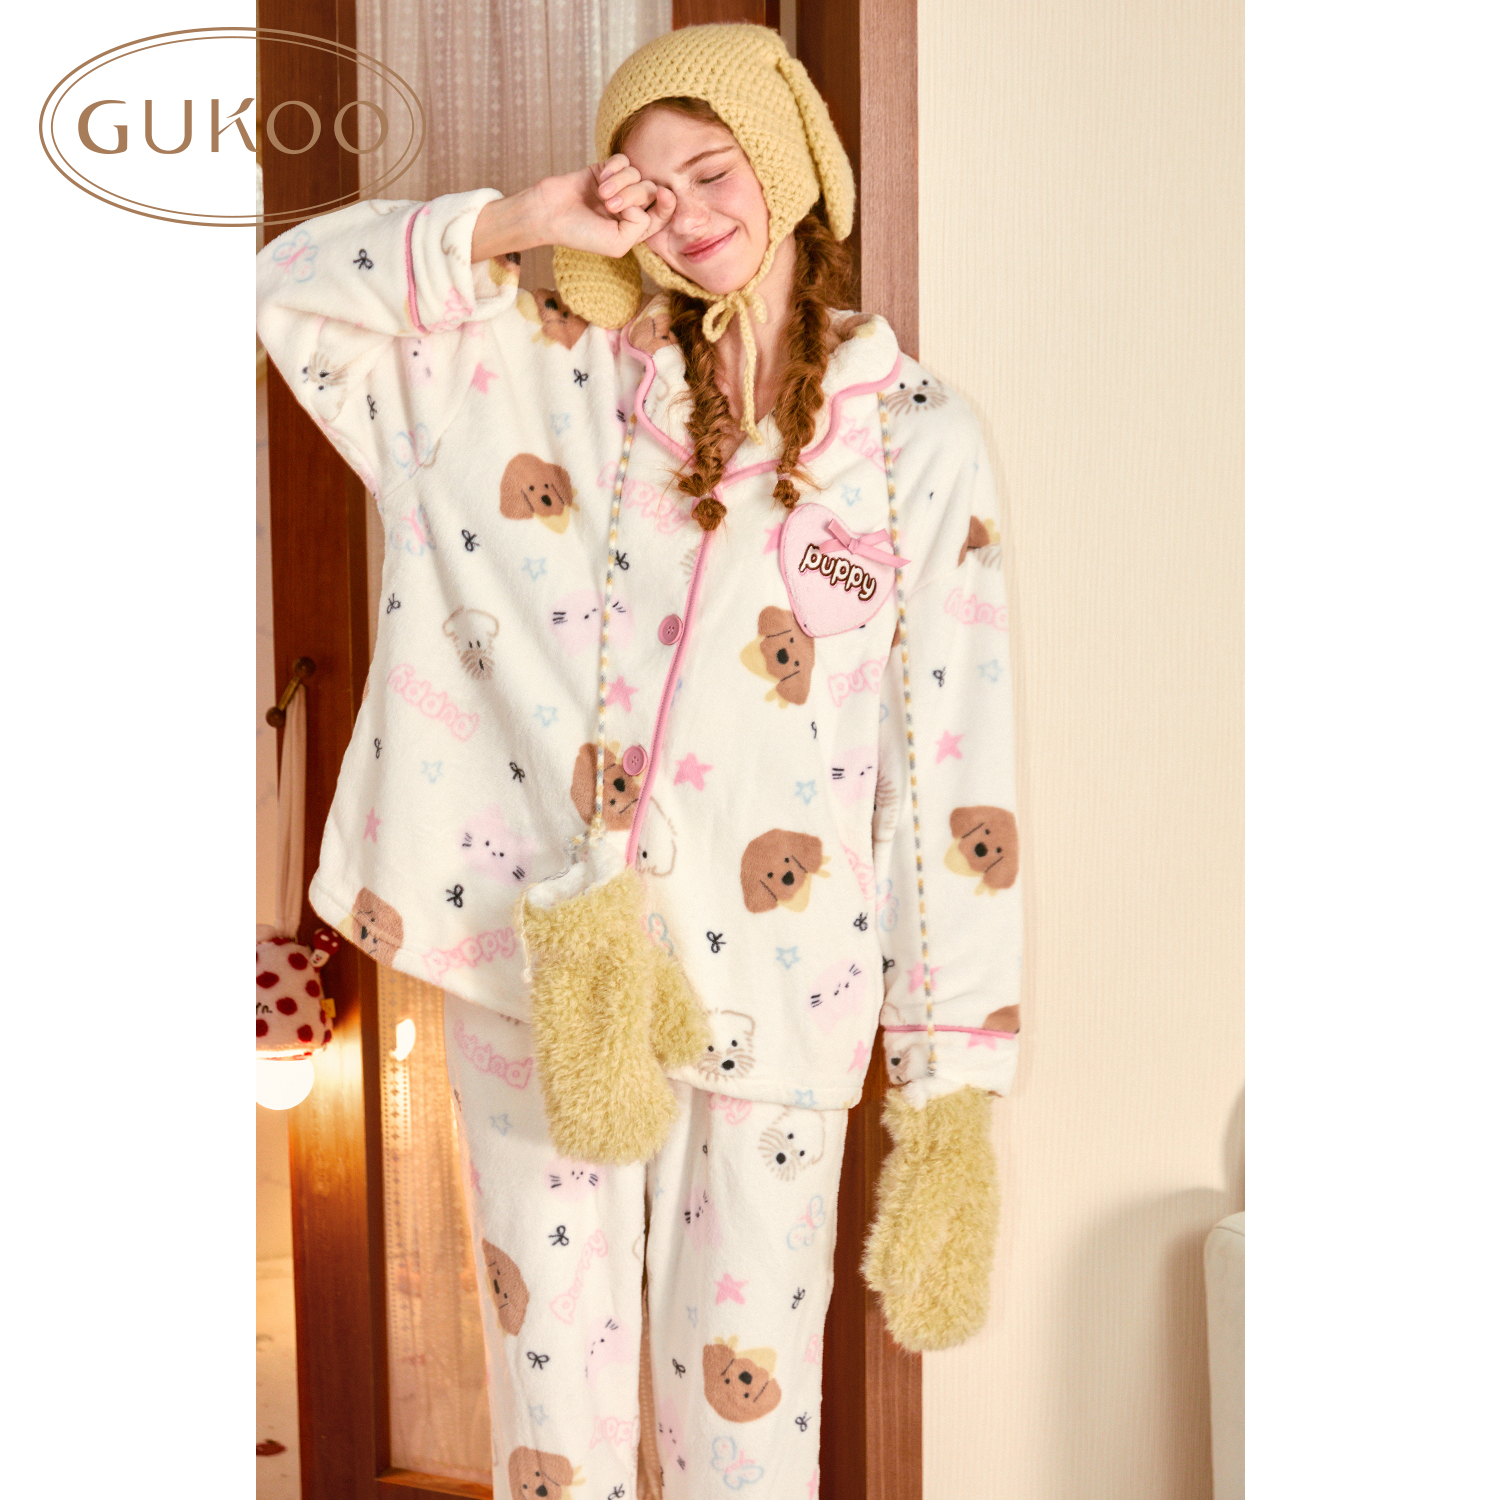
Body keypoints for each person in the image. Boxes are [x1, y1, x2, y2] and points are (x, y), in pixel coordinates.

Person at [257, 22, 1022, 1497]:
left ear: (788, 172)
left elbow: (951, 760)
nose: (686, 210)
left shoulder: (913, 443)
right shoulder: (539, 378)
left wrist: (948, 1073)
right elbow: (291, 293)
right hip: (544, 966)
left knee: (749, 1436)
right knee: (554, 1415)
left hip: (783, 989)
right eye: (646, 184)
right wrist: (528, 220)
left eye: (714, 168)